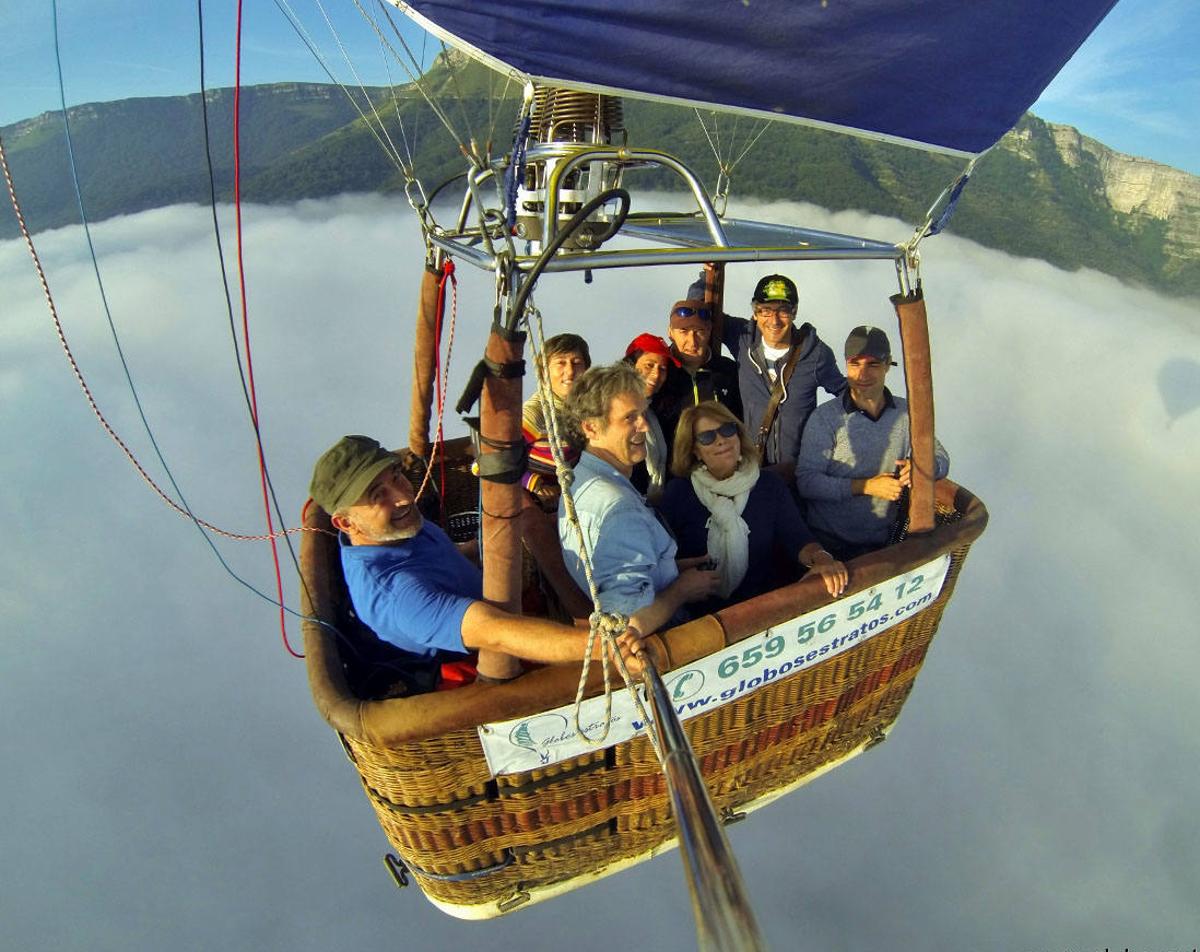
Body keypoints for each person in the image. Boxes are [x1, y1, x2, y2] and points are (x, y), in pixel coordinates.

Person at [310, 435, 646, 694]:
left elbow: (452, 554)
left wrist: (509, 519)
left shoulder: (394, 528)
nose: (402, 496)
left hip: (500, 608)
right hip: (489, 666)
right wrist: (606, 647)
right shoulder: (396, 595)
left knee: (524, 513)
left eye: (397, 477)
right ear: (345, 523)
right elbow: (496, 632)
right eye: (376, 495)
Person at [559, 363, 720, 633]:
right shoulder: (618, 509)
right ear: (591, 427)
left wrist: (668, 569)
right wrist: (681, 590)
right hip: (669, 645)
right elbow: (628, 624)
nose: (645, 426)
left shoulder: (581, 481)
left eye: (644, 413)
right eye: (629, 418)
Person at [659, 401, 848, 613]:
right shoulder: (679, 493)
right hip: (703, 620)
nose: (721, 440)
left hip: (763, 610)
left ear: (738, 434)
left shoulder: (768, 485)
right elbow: (661, 561)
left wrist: (822, 559)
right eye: (707, 437)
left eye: (727, 430)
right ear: (694, 450)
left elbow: (798, 538)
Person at [795, 326, 950, 560]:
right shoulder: (825, 418)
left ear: (888, 365)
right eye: (855, 364)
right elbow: (807, 482)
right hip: (827, 546)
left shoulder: (907, 413)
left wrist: (922, 466)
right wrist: (865, 486)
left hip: (881, 545)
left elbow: (940, 457)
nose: (862, 374)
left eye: (873, 365)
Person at [713, 273, 845, 472]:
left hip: (796, 473)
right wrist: (709, 273)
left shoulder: (815, 353)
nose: (774, 320)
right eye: (766, 310)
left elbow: (846, 394)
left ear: (795, 312)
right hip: (750, 470)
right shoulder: (742, 338)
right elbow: (703, 311)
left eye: (783, 311)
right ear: (755, 313)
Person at [652, 298, 742, 452]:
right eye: (683, 331)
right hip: (672, 471)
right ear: (670, 332)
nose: (692, 342)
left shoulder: (729, 372)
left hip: (720, 465)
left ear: (710, 332)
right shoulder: (659, 371)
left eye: (700, 332)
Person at [522, 333, 591, 511]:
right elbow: (490, 460)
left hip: (575, 496)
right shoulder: (534, 414)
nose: (569, 371)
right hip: (535, 506)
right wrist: (536, 486)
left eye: (576, 363)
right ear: (544, 371)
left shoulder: (589, 409)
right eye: (561, 363)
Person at [623, 332, 675, 503]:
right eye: (649, 365)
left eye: (662, 369)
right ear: (631, 365)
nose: (655, 375)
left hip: (651, 505)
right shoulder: (612, 410)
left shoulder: (655, 414)